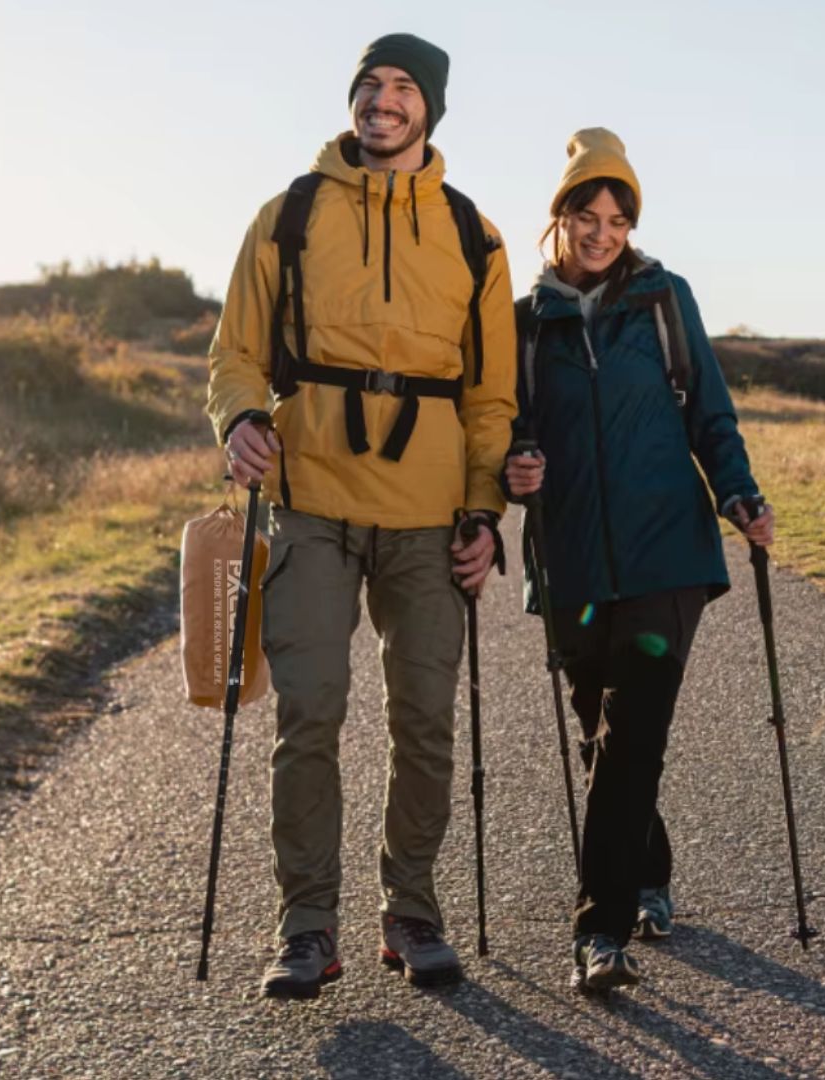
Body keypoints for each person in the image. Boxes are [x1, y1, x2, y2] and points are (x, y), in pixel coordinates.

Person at [207, 33, 516, 1000]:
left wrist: (483, 508)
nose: (383, 101)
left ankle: (413, 913)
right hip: (309, 502)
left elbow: (491, 397)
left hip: (429, 515)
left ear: (430, 110)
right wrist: (241, 420)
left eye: (403, 88)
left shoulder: (475, 235)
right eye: (370, 85)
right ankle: (306, 928)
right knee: (311, 714)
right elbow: (235, 355)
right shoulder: (287, 216)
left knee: (423, 720)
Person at [504, 128, 775, 993]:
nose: (602, 231)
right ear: (561, 219)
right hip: (575, 566)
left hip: (666, 560)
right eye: (587, 213)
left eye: (617, 217)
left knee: (632, 742)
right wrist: (514, 470)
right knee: (603, 738)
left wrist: (739, 495)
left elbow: (711, 414)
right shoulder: (521, 323)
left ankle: (600, 933)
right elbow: (505, 435)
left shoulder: (665, 301)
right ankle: (648, 871)